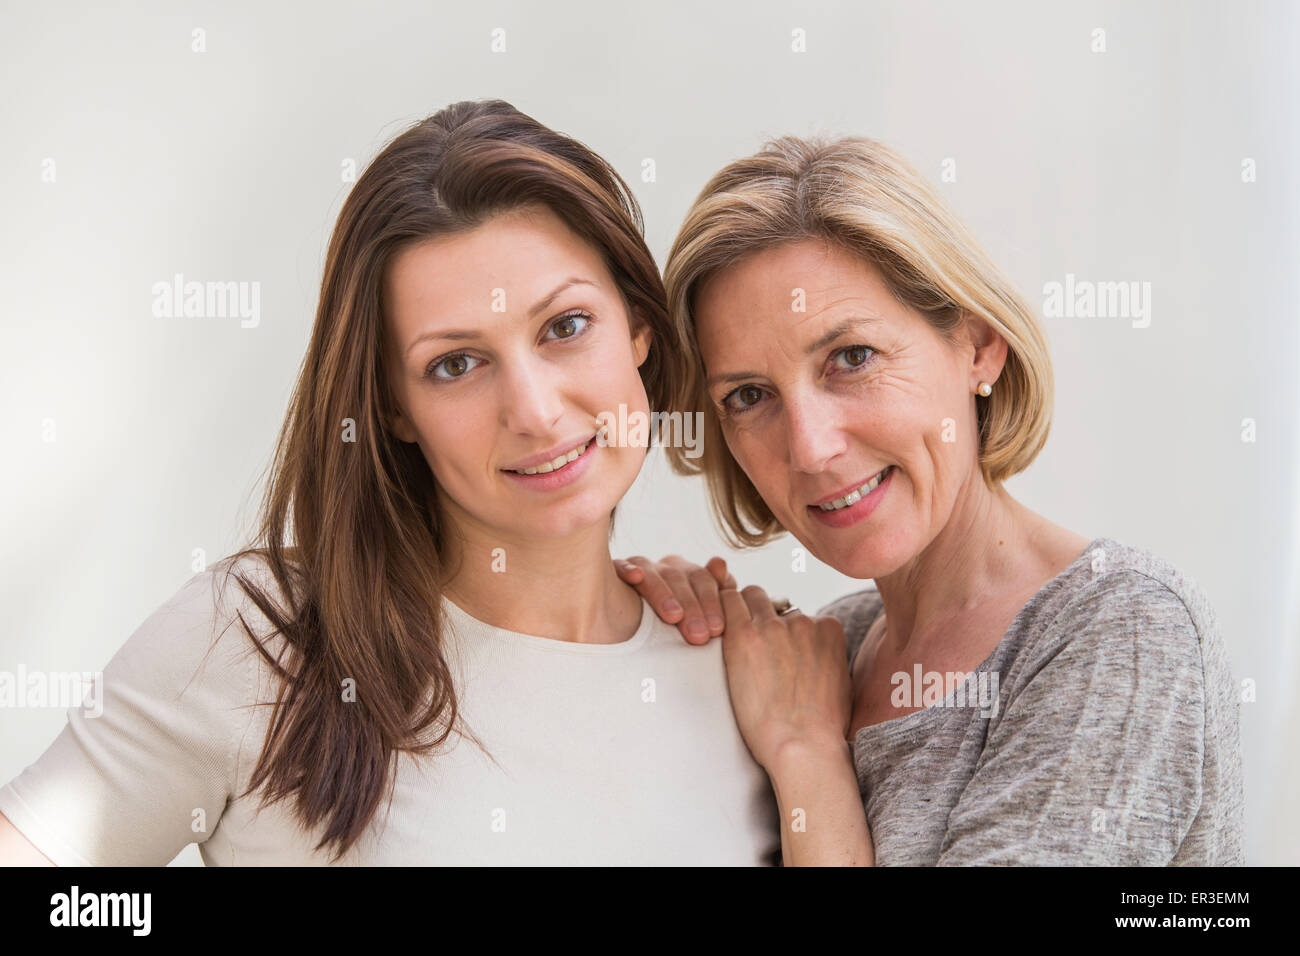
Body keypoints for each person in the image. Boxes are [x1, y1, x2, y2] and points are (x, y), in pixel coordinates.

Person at [0, 99, 780, 866]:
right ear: (395, 409)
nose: (536, 413)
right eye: (455, 364)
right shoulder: (261, 642)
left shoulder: (752, 677)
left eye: (565, 327)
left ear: (639, 326)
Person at [617, 134, 1246, 865]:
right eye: (750, 396)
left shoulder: (1119, 631)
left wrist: (808, 755)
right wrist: (656, 631)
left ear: (977, 345)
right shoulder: (829, 649)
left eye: (851, 358)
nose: (810, 447)